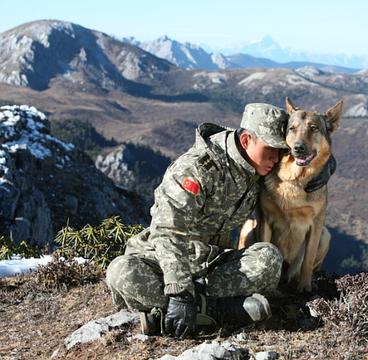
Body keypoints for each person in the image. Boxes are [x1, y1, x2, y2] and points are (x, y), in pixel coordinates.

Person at [106, 103, 333, 339]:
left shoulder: (258, 165)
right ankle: (221, 311)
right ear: (246, 141)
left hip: (212, 261)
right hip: (167, 259)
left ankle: (175, 315)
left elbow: (304, 146)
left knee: (268, 259)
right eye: (271, 150)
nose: (277, 158)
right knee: (121, 272)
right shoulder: (197, 168)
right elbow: (167, 231)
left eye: (281, 151)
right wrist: (179, 291)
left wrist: (326, 167)